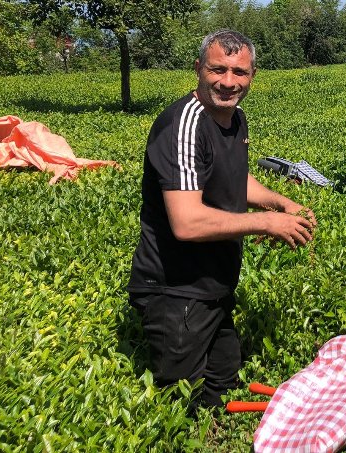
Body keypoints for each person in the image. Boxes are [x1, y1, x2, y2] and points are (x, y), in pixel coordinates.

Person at [126, 29, 316, 411]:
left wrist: (279, 203)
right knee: (179, 406)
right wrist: (264, 223)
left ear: (252, 76)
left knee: (223, 386)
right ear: (198, 68)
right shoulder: (184, 124)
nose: (228, 82)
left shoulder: (235, 117)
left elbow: (234, 177)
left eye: (239, 73)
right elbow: (187, 222)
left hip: (214, 282)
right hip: (175, 288)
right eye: (218, 69)